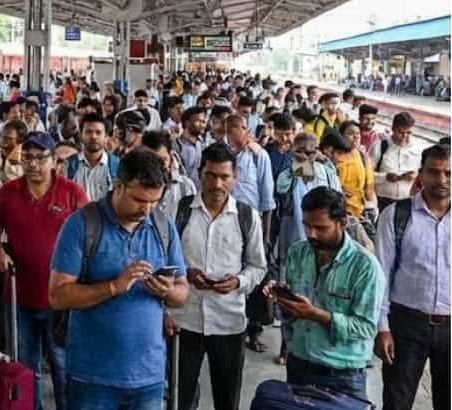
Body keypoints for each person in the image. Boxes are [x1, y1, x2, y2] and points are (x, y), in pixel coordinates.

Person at [49, 149, 189, 410]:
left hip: (149, 376)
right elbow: (57, 296)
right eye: (138, 200)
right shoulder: (82, 224)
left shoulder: (163, 227)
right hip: (93, 376)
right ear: (118, 186)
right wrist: (114, 286)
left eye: (154, 202)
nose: (146, 210)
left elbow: (182, 293)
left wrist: (166, 291)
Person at [0, 132, 88, 410]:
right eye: (27, 158)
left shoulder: (72, 193)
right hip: (19, 297)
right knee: (26, 369)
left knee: (64, 368)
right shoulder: (8, 192)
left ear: (54, 161)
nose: (32, 164)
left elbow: (90, 240)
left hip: (62, 300)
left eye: (40, 158)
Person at [263, 188, 383, 402]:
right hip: (299, 364)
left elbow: (366, 329)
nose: (311, 234)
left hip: (342, 376)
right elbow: (291, 317)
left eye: (321, 228)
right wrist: (283, 300)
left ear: (342, 223)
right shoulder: (297, 252)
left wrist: (315, 314)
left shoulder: (365, 266)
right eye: (307, 225)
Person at [172, 143, 266, 410]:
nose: (217, 184)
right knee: (181, 395)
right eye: (210, 175)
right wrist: (186, 273)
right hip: (185, 320)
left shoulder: (248, 217)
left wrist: (238, 282)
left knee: (227, 398)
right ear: (199, 173)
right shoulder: (182, 210)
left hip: (229, 321)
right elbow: (166, 258)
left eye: (224, 177)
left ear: (235, 178)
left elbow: (257, 267)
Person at [375, 143, 450, 410]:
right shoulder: (396, 215)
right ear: (421, 174)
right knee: (397, 401)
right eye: (434, 172)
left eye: (449, 173)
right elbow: (381, 275)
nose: (441, 180)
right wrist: (382, 328)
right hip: (406, 325)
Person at [376, 112, 420, 212]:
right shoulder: (381, 146)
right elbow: (367, 173)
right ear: (393, 129)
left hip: (406, 201)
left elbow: (423, 172)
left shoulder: (417, 150)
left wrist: (416, 175)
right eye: (400, 132)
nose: (404, 136)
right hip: (382, 201)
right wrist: (385, 177)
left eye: (409, 133)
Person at [177, 106, 208, 189]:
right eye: (198, 121)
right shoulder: (177, 145)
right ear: (187, 123)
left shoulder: (200, 143)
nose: (202, 125)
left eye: (203, 121)